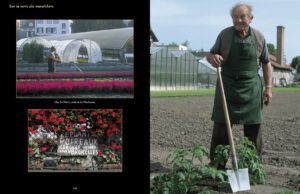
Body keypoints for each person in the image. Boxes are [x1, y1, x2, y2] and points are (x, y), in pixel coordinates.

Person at [207, 3, 273, 169]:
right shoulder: (225, 35)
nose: (238, 20)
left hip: (251, 87)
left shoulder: (259, 37)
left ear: (250, 18)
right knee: (221, 127)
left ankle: (252, 167)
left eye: (242, 16)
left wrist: (269, 88)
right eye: (235, 17)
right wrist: (213, 57)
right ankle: (217, 165)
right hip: (227, 86)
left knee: (253, 128)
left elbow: (266, 63)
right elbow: (211, 54)